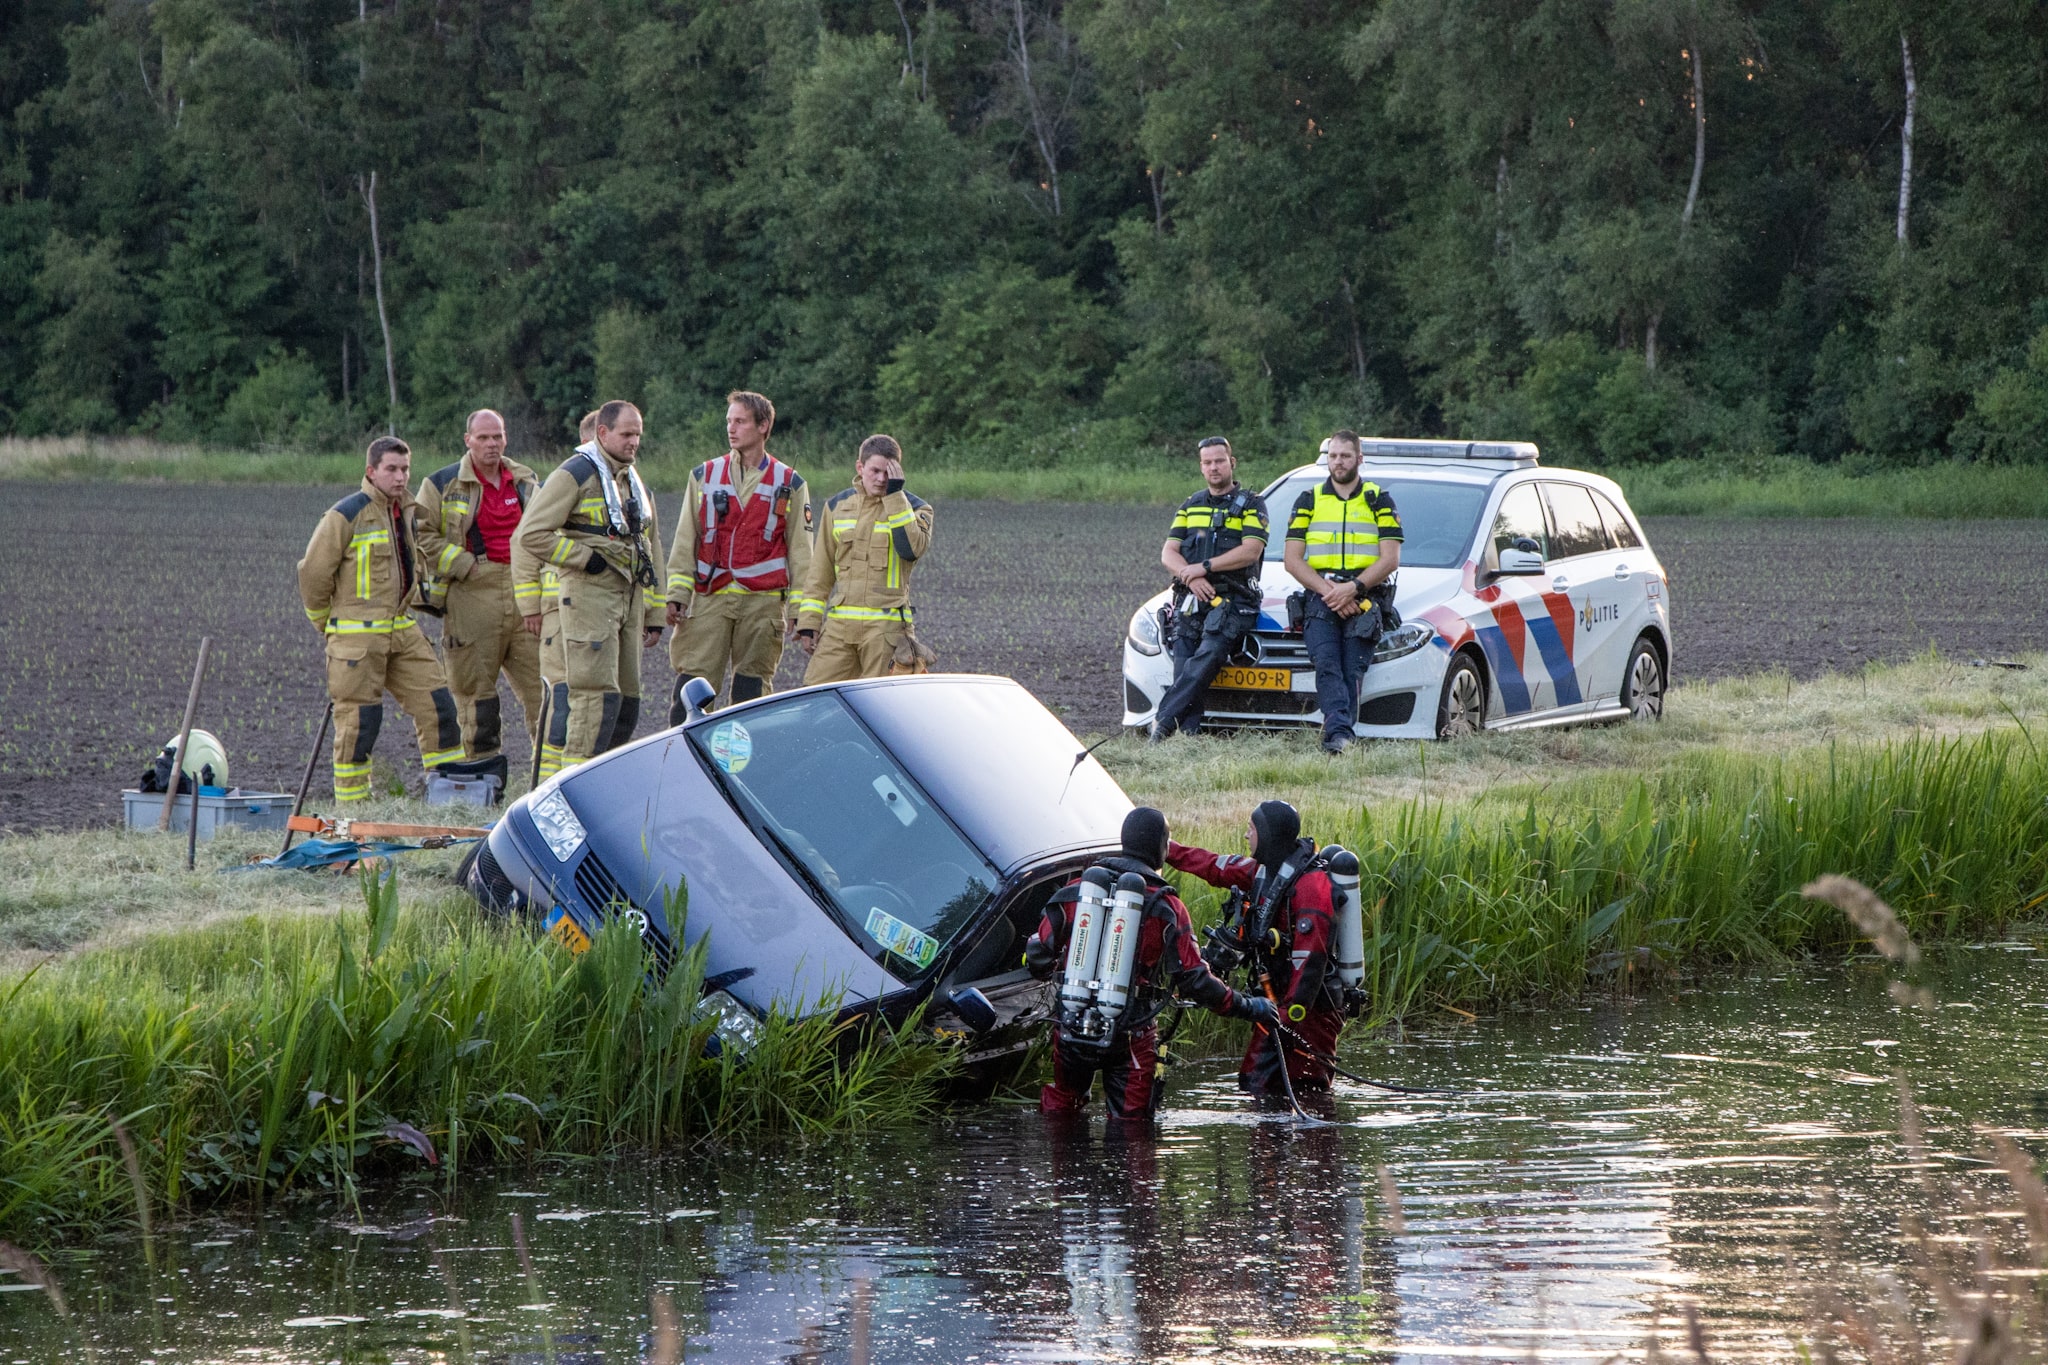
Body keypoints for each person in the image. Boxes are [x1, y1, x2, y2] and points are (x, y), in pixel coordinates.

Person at [1023, 807, 1280, 1123]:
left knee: (1061, 1110)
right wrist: (1248, 1006)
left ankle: (1062, 1170)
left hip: (1071, 1025)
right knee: (1132, 1130)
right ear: (1161, 846)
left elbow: (1039, 951)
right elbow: (1195, 980)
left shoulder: (1077, 892)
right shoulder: (1167, 906)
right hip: (1131, 1032)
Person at [296, 435, 465, 800]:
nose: (401, 477)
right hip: (356, 643)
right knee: (360, 725)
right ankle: (354, 811)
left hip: (402, 632)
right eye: (391, 469)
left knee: (440, 708)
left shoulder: (407, 511)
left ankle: (447, 798)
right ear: (371, 472)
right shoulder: (346, 514)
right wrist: (328, 624)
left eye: (405, 469)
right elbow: (312, 573)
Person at [512, 400, 664, 768]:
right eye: (626, 434)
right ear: (602, 433)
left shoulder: (631, 478)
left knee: (626, 700)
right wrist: (584, 558)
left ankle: (603, 779)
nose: (633, 443)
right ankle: (574, 790)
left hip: (628, 598)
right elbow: (530, 535)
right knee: (594, 697)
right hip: (589, 596)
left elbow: (651, 544)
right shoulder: (575, 474)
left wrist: (655, 610)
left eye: (638, 435)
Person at [1166, 799, 1346, 1097]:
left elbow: (1310, 959)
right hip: (1277, 1004)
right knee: (1258, 1084)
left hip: (1311, 1012)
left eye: (1251, 829)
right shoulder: (1261, 872)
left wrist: (1289, 1014)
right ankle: (1271, 1142)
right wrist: (1164, 848)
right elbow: (1212, 865)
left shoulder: (1311, 887)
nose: (1246, 836)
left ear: (1268, 834)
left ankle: (1311, 1142)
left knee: (1307, 1090)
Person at [665, 391, 812, 720]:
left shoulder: (790, 483)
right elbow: (685, 538)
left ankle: (745, 768)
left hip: (763, 604)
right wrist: (676, 594)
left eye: (740, 421)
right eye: (729, 421)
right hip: (709, 599)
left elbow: (803, 555)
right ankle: (683, 760)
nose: (731, 428)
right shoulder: (704, 475)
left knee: (752, 695)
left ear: (763, 426)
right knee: (692, 689)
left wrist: (804, 614)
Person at [413, 408, 542, 786]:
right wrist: (464, 564)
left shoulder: (524, 479)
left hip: (523, 592)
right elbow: (420, 533)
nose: (491, 444)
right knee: (476, 698)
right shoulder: (441, 484)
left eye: (497, 437)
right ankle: (481, 781)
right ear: (467, 440)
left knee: (545, 691)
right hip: (472, 592)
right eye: (483, 437)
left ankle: (548, 778)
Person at [1285, 429, 1402, 754]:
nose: (1338, 462)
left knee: (1352, 669)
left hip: (1365, 596)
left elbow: (1390, 558)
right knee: (1325, 662)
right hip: (1321, 595)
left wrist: (1353, 589)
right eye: (1333, 456)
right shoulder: (1309, 499)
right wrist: (1331, 593)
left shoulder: (1379, 499)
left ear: (1359, 459)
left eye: (1345, 456)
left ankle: (1339, 734)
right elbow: (1292, 560)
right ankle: (1339, 735)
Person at [1151, 436, 1269, 739]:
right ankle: (1189, 737)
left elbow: (1250, 551)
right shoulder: (1191, 504)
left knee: (1204, 662)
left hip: (1233, 601)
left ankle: (1161, 725)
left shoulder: (1253, 504)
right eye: (1207, 462)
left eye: (1219, 461)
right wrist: (1192, 577)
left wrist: (1204, 568)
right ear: (1201, 467)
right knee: (1184, 665)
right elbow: (1169, 552)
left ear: (1232, 463)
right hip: (1191, 598)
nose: (1214, 467)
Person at [794, 435, 934, 682]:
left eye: (888, 473)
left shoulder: (916, 509)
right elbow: (821, 569)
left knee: (880, 703)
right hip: (838, 628)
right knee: (815, 695)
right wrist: (809, 621)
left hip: (886, 632)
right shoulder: (836, 506)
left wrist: (895, 495)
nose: (881, 479)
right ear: (860, 467)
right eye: (875, 471)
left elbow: (911, 549)